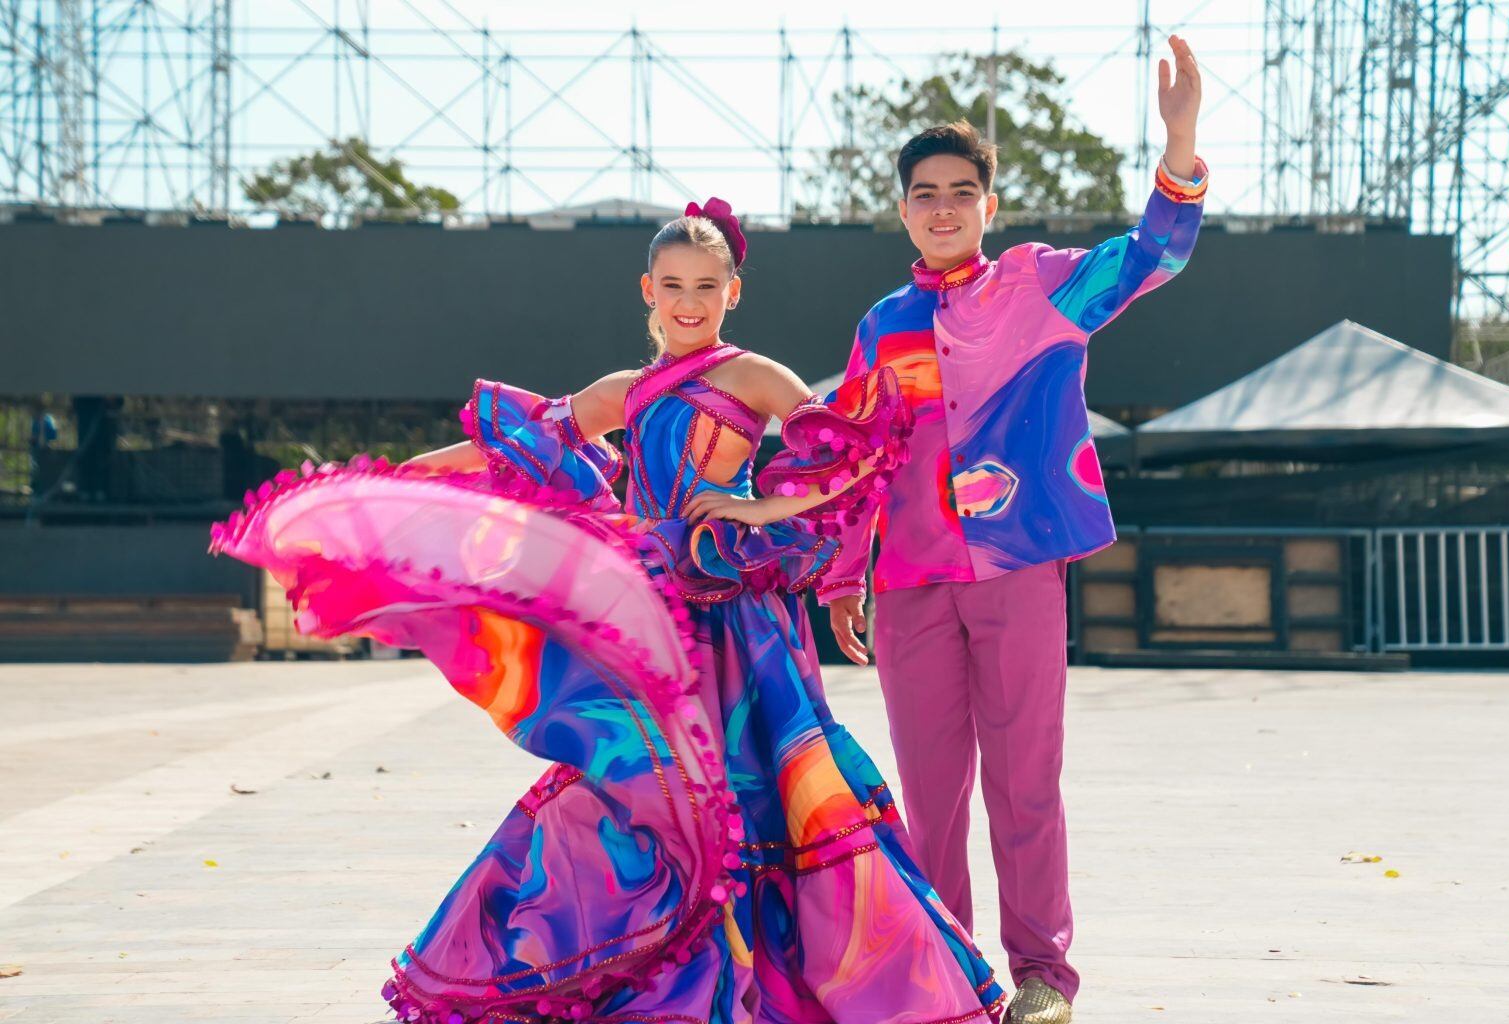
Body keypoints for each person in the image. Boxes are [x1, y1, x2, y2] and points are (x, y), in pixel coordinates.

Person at [211, 198, 1005, 1024]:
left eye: (706, 284)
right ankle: (663, 980)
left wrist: (754, 513)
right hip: (649, 619)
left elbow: (854, 450)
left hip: (739, 626)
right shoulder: (623, 391)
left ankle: (775, 986)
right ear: (646, 291)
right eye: (672, 285)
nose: (688, 301)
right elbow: (512, 448)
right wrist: (394, 481)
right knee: (632, 793)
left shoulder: (756, 376)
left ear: (734, 291)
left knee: (762, 796)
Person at [814, 36, 1208, 1024]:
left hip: (1019, 566)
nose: (942, 207)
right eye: (924, 192)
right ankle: (950, 975)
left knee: (1027, 783)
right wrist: (836, 575)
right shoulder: (881, 325)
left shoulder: (1040, 285)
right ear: (902, 208)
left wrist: (1182, 139)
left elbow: (1155, 254)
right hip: (908, 584)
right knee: (930, 795)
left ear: (988, 206)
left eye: (960, 191)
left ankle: (1042, 976)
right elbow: (854, 454)